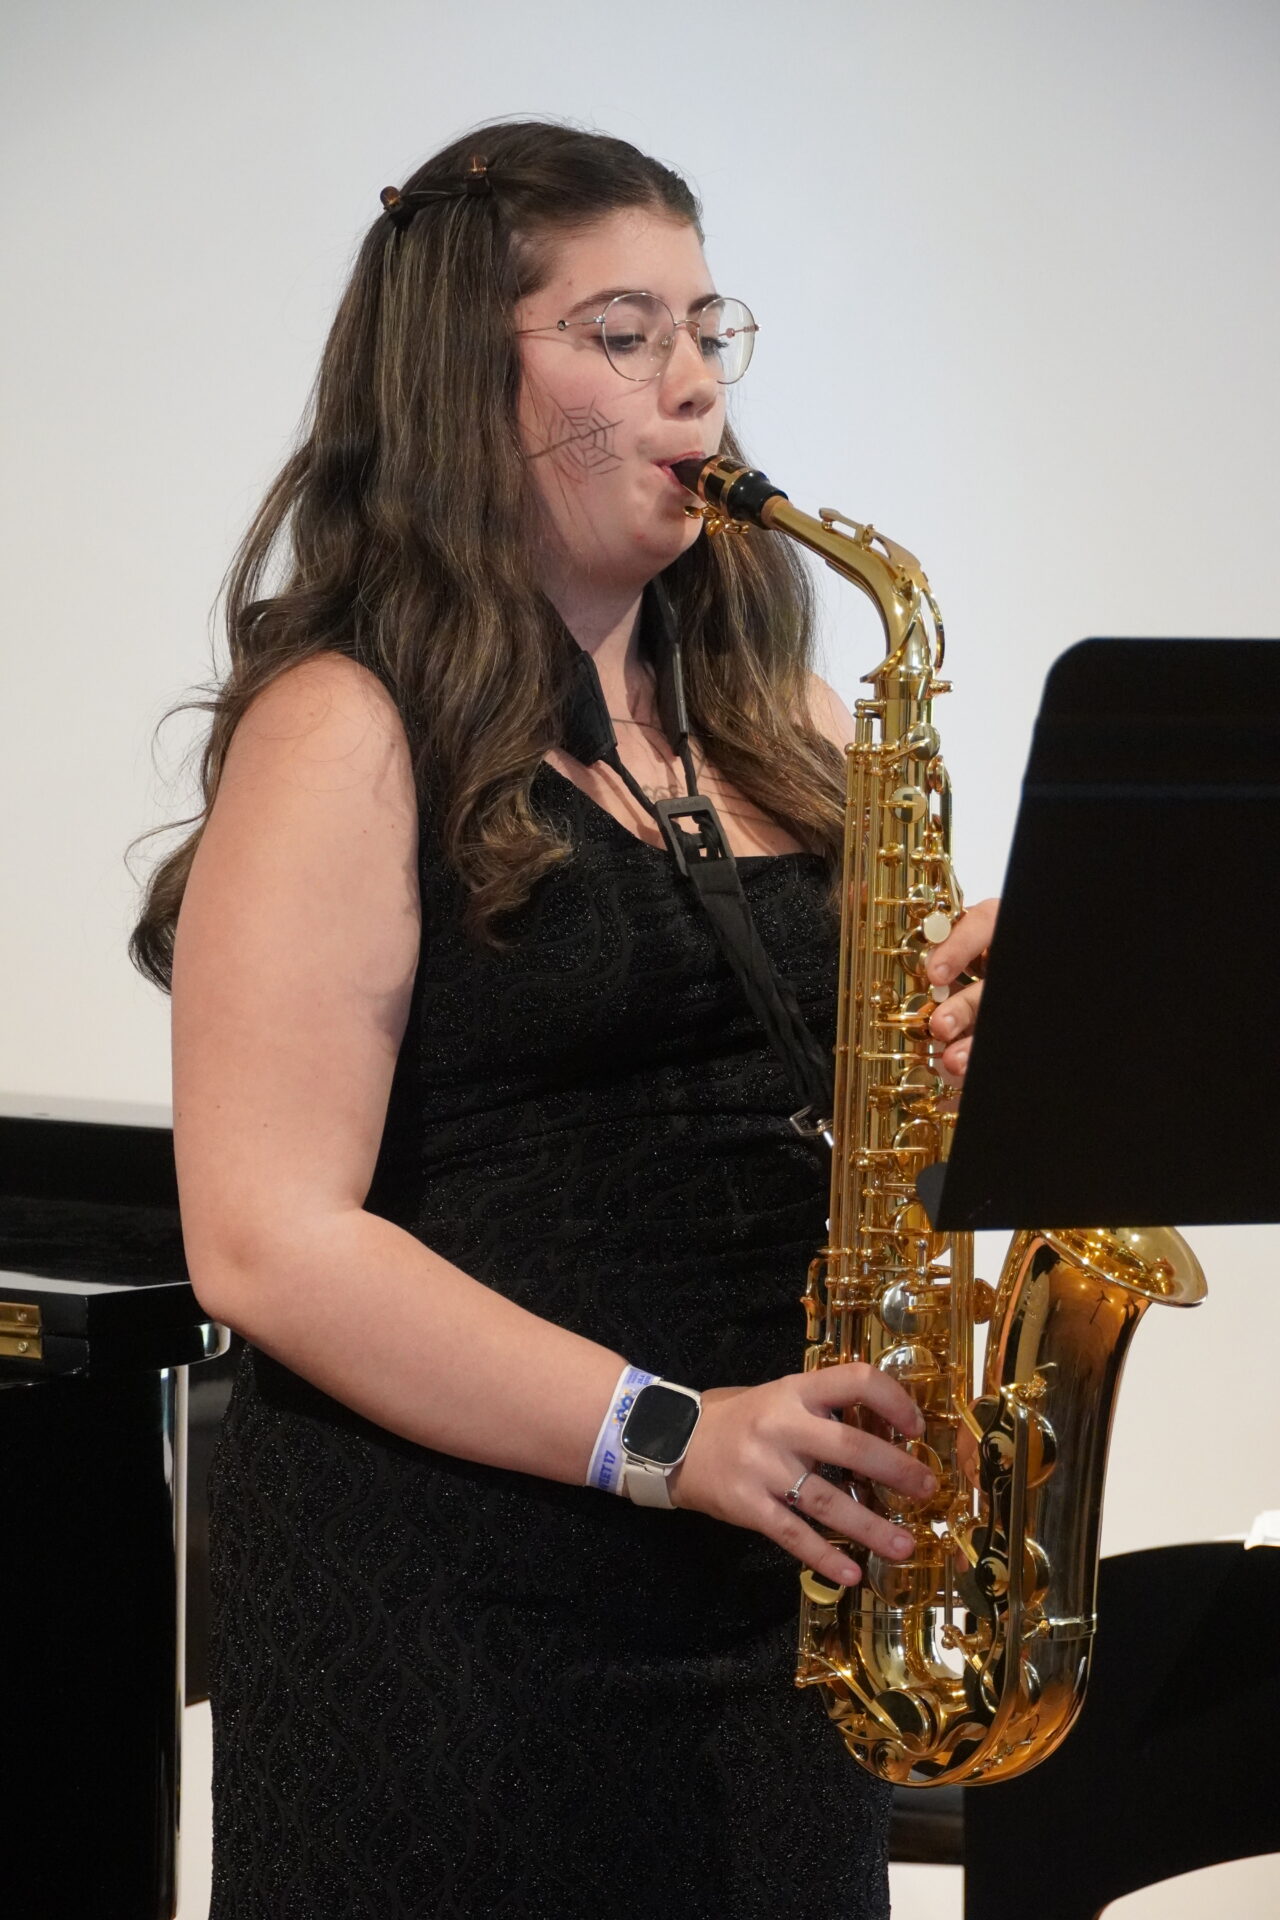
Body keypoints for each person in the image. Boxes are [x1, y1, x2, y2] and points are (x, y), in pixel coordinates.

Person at [132, 120, 995, 1919]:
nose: (693, 383)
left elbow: (862, 1144)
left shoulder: (783, 718)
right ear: (464, 376)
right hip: (461, 1637)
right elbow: (266, 1242)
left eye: (705, 329)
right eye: (621, 334)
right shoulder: (344, 728)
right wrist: (682, 1436)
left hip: (773, 1615)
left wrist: (982, 1063)